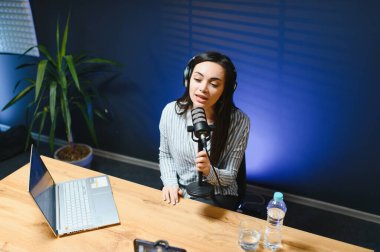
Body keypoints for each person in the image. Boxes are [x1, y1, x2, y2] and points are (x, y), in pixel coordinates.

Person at [159, 51, 250, 211]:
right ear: (187, 79)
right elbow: (165, 155)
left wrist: (210, 171)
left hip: (219, 192)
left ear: (226, 89)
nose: (203, 88)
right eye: (198, 79)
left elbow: (230, 177)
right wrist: (170, 184)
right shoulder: (170, 112)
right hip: (182, 188)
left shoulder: (239, 121)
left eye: (214, 84)